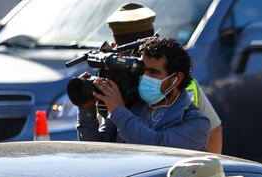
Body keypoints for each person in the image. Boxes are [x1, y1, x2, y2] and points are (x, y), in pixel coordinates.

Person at [105, 2, 224, 153]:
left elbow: (213, 131)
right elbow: (103, 143)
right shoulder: (116, 79)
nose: (145, 76)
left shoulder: (178, 83)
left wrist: (208, 172)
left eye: (152, 71)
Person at [77, 37, 210, 151]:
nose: (144, 77)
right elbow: (96, 150)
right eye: (142, 71)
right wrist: (86, 108)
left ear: (176, 79)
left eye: (153, 73)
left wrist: (118, 110)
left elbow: (156, 147)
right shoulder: (132, 105)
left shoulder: (196, 124)